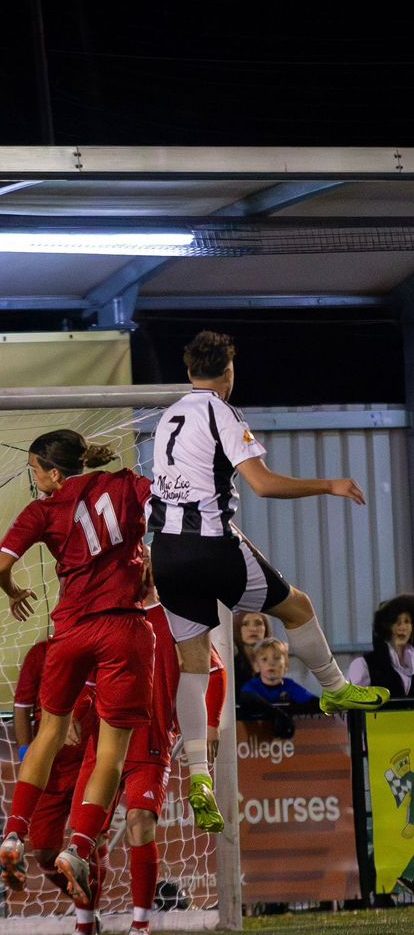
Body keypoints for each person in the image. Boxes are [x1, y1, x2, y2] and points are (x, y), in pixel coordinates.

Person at [148, 330, 388, 835]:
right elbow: (263, 483)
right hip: (212, 544)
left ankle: (198, 776)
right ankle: (336, 688)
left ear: (190, 370)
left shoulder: (169, 414)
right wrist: (330, 484)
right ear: (229, 372)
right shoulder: (224, 412)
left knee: (193, 665)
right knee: (297, 607)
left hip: (165, 552)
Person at [0, 429, 154, 907]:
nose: (34, 479)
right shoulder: (125, 484)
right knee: (110, 753)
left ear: (55, 473)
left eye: (36, 470)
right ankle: (80, 846)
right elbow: (167, 500)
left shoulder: (43, 510)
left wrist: (14, 593)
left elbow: (1, 565)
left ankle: (14, 834)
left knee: (48, 733)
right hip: (123, 627)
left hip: (70, 630)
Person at [50, 595, 226, 935]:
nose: (141, 566)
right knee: (86, 839)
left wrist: (210, 725)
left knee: (140, 823)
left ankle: (140, 928)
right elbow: (87, 680)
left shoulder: (178, 617)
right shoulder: (107, 615)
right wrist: (70, 714)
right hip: (105, 745)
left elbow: (215, 671)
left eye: (146, 560)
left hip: (151, 741)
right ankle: (85, 928)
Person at [10, 639, 93, 899]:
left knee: (91, 841)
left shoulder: (99, 648)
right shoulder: (40, 654)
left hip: (91, 763)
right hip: (51, 771)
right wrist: (27, 755)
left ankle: (88, 921)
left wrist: (76, 714)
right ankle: (88, 907)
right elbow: (22, 707)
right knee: (45, 853)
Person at [349, 594, 414, 698]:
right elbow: (355, 709)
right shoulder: (363, 665)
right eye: (395, 622)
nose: (402, 627)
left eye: (407, 621)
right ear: (386, 626)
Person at [241, 637, 319, 711]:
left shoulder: (290, 686)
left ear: (286, 665)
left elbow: (312, 702)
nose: (271, 663)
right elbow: (248, 700)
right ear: (256, 666)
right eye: (264, 659)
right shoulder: (252, 686)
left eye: (277, 658)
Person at [232, 610, 271, 695]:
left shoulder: (274, 659)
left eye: (258, 623)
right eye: (245, 624)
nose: (253, 629)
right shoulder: (231, 661)